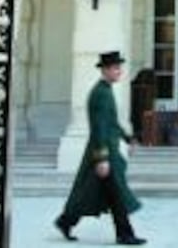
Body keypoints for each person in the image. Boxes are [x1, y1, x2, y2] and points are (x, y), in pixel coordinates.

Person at [54, 51, 146, 245]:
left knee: (92, 192)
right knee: (116, 193)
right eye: (115, 68)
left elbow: (111, 122)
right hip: (104, 152)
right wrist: (102, 158)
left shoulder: (105, 90)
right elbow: (99, 128)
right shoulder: (101, 94)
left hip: (105, 150)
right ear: (105, 70)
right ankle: (125, 234)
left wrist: (127, 138)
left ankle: (66, 221)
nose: (119, 71)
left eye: (119, 68)